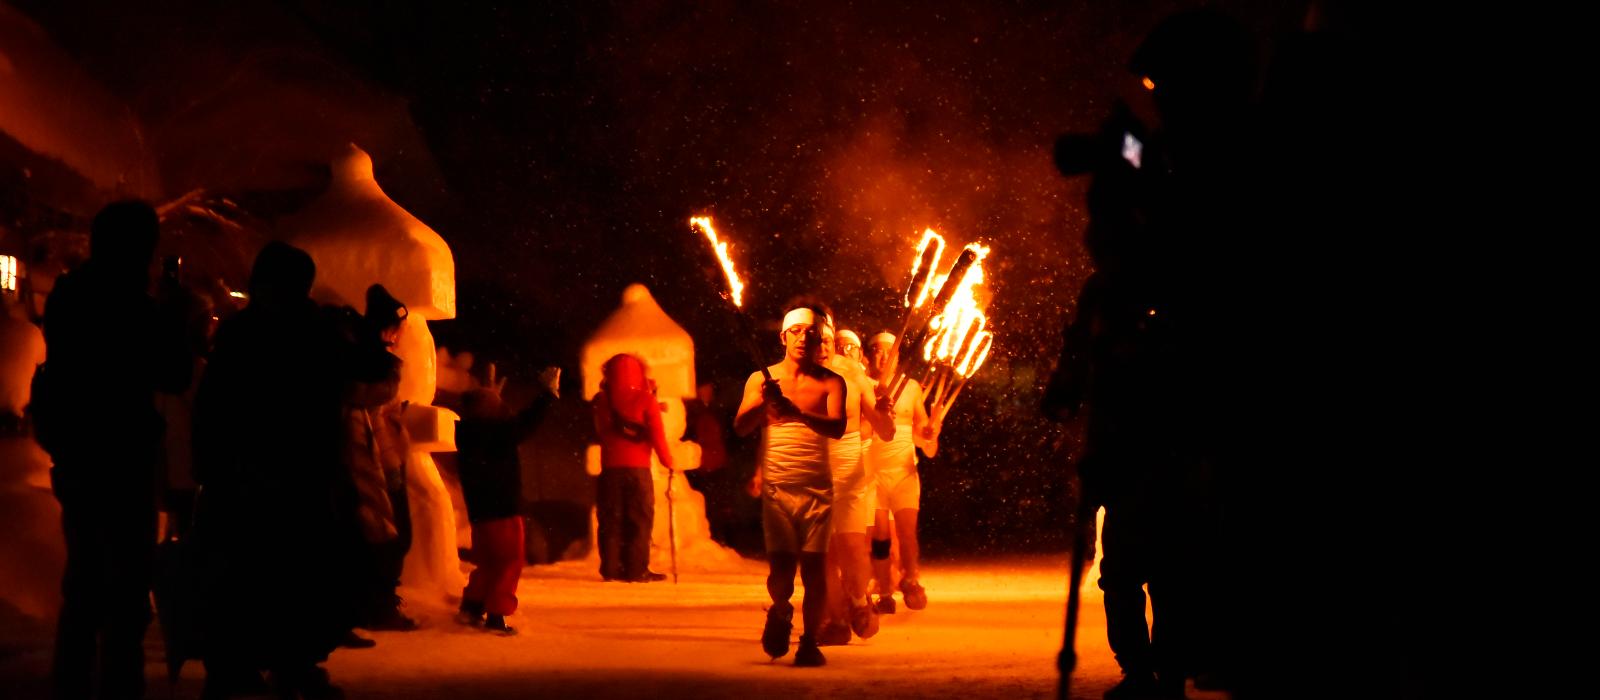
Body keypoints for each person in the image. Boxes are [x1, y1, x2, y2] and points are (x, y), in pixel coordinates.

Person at [31, 200, 192, 700]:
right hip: (122, 457)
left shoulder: (69, 296)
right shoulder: (133, 307)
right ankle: (119, 686)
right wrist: (173, 317)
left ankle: (72, 683)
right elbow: (172, 373)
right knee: (123, 590)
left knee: (84, 582)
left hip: (78, 455)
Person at [191, 242, 362, 699]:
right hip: (281, 475)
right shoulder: (312, 333)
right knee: (283, 573)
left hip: (262, 475)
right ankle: (276, 663)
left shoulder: (254, 334)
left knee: (263, 573)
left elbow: (213, 407)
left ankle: (262, 663)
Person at [734, 299, 846, 667]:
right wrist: (761, 405)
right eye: (796, 332)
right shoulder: (761, 379)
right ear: (783, 336)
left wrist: (798, 413)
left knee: (815, 571)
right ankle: (780, 609)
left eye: (811, 334)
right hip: (778, 491)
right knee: (781, 572)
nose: (803, 339)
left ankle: (810, 641)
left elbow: (838, 427)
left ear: (820, 341)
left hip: (818, 491)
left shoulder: (832, 382)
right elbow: (740, 427)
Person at [456, 362, 559, 635]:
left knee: (488, 562)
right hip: (503, 511)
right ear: (487, 411)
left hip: (481, 514)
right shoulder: (495, 434)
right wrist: (547, 395)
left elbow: (511, 424)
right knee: (509, 562)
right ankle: (497, 613)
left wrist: (490, 399)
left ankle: (472, 605)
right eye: (497, 403)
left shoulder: (468, 433)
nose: (503, 406)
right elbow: (524, 424)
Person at [816, 325, 895, 645]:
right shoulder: (793, 379)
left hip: (851, 474)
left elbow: (884, 431)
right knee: (821, 557)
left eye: (824, 339)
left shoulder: (855, 379)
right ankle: (836, 621)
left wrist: (883, 414)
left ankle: (860, 601)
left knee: (851, 550)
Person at [862, 332, 939, 614]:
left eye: (889, 352)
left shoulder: (912, 388)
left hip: (904, 471)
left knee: (907, 532)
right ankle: (884, 591)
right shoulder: (863, 387)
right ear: (869, 355)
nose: (884, 357)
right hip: (874, 472)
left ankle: (911, 578)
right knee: (880, 537)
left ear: (898, 357)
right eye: (878, 351)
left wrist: (928, 433)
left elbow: (924, 436)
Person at [592, 354, 673, 583]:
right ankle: (636, 569)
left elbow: (600, 430)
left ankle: (611, 568)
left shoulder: (602, 400)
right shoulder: (645, 399)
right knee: (639, 520)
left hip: (610, 469)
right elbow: (657, 434)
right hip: (638, 469)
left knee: (611, 519)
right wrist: (668, 461)